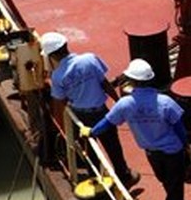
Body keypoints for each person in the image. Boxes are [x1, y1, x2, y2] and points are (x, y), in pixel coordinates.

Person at [82, 59, 191, 200]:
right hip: (173, 153)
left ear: (131, 80)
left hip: (153, 155)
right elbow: (179, 129)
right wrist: (186, 146)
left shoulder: (125, 104)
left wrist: (91, 131)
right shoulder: (165, 102)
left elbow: (107, 122)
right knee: (174, 191)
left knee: (171, 188)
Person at [41, 31, 138, 185]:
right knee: (113, 146)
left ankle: (98, 179)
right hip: (101, 112)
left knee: (89, 149)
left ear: (51, 56)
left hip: (80, 116)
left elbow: (60, 100)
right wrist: (118, 102)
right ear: (66, 45)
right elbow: (105, 83)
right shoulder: (89, 59)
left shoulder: (57, 77)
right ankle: (124, 175)